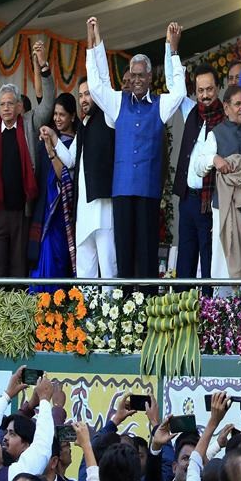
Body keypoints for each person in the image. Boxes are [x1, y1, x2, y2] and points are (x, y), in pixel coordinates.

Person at [85, 17, 186, 282]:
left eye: (142, 75)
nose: (137, 80)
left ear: (150, 77)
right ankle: (125, 303)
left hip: (148, 191)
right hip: (122, 190)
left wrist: (172, 51)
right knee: (124, 252)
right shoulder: (118, 102)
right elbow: (96, 85)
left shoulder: (160, 105)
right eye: (133, 75)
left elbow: (179, 92)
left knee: (147, 252)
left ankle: (148, 302)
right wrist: (94, 44)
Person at [191, 32, 241, 286]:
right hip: (224, 210)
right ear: (226, 107)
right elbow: (198, 164)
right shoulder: (215, 134)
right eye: (237, 104)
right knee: (223, 271)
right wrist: (214, 159)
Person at [0, 41, 55, 278]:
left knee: (18, 270)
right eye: (2, 104)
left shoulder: (29, 123)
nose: (6, 108)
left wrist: (43, 68)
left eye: (10, 103)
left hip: (21, 211)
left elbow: (48, 103)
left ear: (19, 106)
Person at [51, 73, 116, 280]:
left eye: (88, 94)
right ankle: (85, 303)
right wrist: (53, 138)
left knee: (108, 266)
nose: (83, 99)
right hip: (83, 209)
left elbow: (104, 84)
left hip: (103, 207)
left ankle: (111, 303)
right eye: (80, 95)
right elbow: (70, 160)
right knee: (85, 267)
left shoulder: (108, 116)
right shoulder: (83, 124)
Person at [170, 61, 223, 291]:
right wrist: (172, 53)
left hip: (210, 202)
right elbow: (174, 86)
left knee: (210, 263)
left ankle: (210, 311)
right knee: (185, 262)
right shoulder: (191, 111)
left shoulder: (226, 118)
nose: (205, 95)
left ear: (217, 87)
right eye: (200, 90)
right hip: (188, 199)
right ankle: (184, 310)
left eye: (209, 89)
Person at [30, 93, 78, 291]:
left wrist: (52, 151)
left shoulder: (74, 145)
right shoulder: (46, 141)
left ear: (72, 117)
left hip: (61, 213)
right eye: (55, 114)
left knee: (57, 257)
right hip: (44, 209)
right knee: (41, 254)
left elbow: (64, 177)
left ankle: (56, 304)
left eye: (62, 115)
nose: (57, 119)